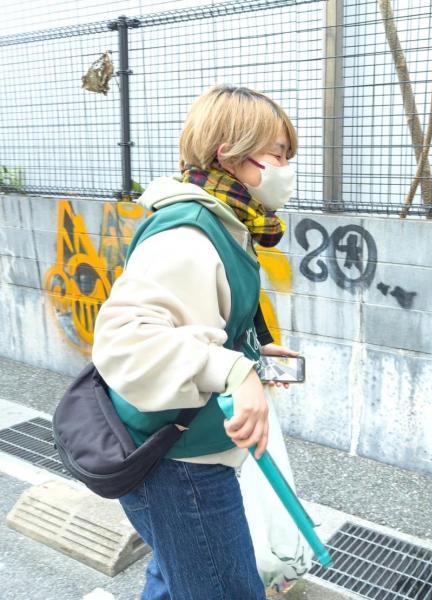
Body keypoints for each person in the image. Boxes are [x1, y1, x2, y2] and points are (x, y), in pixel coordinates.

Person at [92, 84, 300, 600]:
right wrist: (235, 371)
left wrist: (252, 353)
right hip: (181, 467)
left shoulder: (228, 221)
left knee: (173, 576)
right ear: (229, 152)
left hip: (185, 451)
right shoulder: (189, 232)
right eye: (277, 154)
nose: (286, 168)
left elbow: (199, 321)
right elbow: (126, 341)